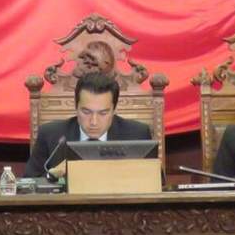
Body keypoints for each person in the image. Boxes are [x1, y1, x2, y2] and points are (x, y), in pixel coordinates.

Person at [23, 71, 152, 178]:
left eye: (103, 113)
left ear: (114, 110)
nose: (94, 122)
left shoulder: (137, 134)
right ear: (76, 107)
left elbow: (155, 182)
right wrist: (53, 175)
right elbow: (28, 184)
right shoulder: (50, 134)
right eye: (86, 112)